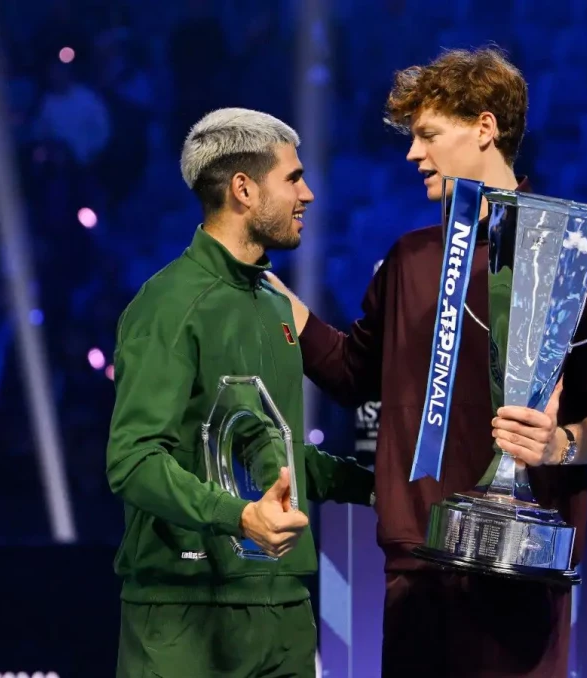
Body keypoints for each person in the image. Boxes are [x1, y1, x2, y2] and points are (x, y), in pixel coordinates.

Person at [267, 48, 587, 677]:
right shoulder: (409, 260)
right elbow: (351, 373)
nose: (413, 154)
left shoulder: (570, 255)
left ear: (485, 128)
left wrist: (561, 444)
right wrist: (272, 295)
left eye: (428, 135)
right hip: (417, 566)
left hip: (520, 568)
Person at [106, 107, 375, 678]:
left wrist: (381, 487)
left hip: (283, 609)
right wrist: (240, 517)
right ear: (244, 189)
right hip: (184, 612)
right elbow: (133, 461)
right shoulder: (169, 305)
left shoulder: (276, 306)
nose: (307, 194)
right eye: (293, 178)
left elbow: (277, 455)